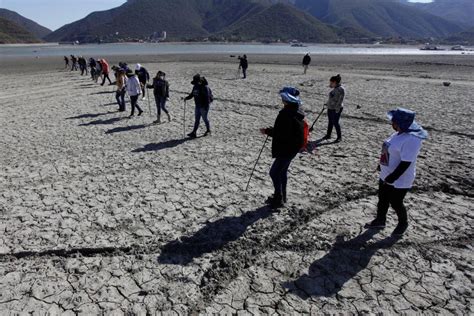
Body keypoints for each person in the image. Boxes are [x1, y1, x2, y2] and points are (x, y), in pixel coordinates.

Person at [365, 108, 428, 236]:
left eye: (393, 122)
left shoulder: (411, 140)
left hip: (400, 179)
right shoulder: (398, 133)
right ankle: (380, 220)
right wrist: (381, 165)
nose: (391, 124)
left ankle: (403, 223)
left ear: (399, 124)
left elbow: (406, 163)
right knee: (382, 199)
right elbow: (388, 151)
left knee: (396, 202)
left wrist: (392, 177)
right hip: (386, 174)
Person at [260, 87, 305, 209]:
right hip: (294, 147)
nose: (281, 100)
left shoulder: (286, 113)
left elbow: (282, 133)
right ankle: (282, 196)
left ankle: (278, 199)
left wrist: (268, 131)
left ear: (286, 99)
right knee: (282, 172)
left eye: (283, 98)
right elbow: (286, 130)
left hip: (287, 148)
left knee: (274, 173)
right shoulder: (297, 110)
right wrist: (271, 130)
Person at [184, 74, 213, 139]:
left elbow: (207, 98)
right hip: (197, 106)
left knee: (205, 119)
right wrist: (186, 98)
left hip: (203, 106)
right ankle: (194, 132)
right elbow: (192, 94)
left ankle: (208, 130)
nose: (195, 84)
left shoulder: (205, 87)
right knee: (197, 119)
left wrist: (205, 107)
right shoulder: (195, 87)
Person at [323, 74, 345, 142]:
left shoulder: (341, 89)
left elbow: (340, 100)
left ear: (335, 82)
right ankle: (328, 135)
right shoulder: (335, 88)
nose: (330, 84)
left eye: (331, 83)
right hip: (330, 107)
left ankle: (339, 137)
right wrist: (327, 103)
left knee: (335, 122)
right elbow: (331, 98)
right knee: (330, 122)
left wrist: (337, 109)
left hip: (336, 109)